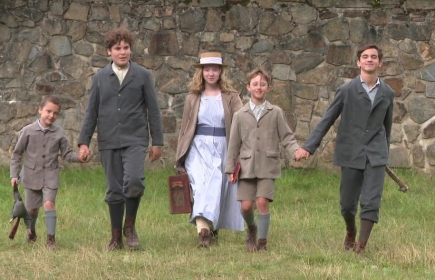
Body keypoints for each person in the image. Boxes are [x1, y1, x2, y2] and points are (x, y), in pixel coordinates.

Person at [294, 44, 395, 255]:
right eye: (365, 57)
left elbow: (387, 126)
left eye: (373, 57)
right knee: (347, 204)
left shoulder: (387, 93)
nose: (369, 60)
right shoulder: (346, 91)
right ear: (358, 62)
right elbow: (327, 119)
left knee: (370, 201)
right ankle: (350, 230)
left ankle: (361, 246)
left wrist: (383, 153)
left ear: (380, 63)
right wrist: (309, 147)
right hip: (351, 153)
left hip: (376, 156)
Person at [78, 28, 163, 251]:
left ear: (130, 50)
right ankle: (116, 237)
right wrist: (84, 142)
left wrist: (158, 141)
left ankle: (130, 228)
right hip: (108, 140)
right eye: (118, 48)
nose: (123, 52)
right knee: (114, 189)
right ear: (109, 51)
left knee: (134, 181)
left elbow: (153, 110)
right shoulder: (99, 78)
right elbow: (91, 112)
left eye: (126, 48)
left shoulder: (143, 75)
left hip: (135, 139)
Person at [225, 67, 300, 252]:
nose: (259, 87)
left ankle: (262, 242)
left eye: (263, 84)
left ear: (269, 88)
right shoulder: (240, 115)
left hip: (268, 165)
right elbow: (233, 143)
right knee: (246, 206)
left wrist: (296, 151)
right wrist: (229, 168)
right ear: (248, 87)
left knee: (261, 202)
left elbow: (287, 137)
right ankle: (252, 228)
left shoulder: (275, 112)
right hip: (246, 167)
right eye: (255, 84)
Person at [175, 52, 245, 247]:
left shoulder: (231, 97)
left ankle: (211, 228)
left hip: (222, 144)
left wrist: (241, 151)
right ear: (202, 72)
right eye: (207, 69)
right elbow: (186, 127)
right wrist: (181, 153)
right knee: (200, 187)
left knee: (216, 186)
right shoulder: (193, 97)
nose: (211, 73)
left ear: (221, 72)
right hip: (198, 146)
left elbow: (242, 121)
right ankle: (203, 234)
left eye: (215, 69)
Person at [10, 96, 87, 250]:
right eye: (48, 111)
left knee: (49, 203)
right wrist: (14, 174)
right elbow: (17, 154)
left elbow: (67, 154)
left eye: (55, 113)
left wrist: (79, 158)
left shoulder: (60, 133)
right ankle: (31, 231)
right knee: (32, 208)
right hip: (31, 176)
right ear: (40, 110)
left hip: (51, 176)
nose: (51, 115)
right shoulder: (28, 131)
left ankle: (51, 239)